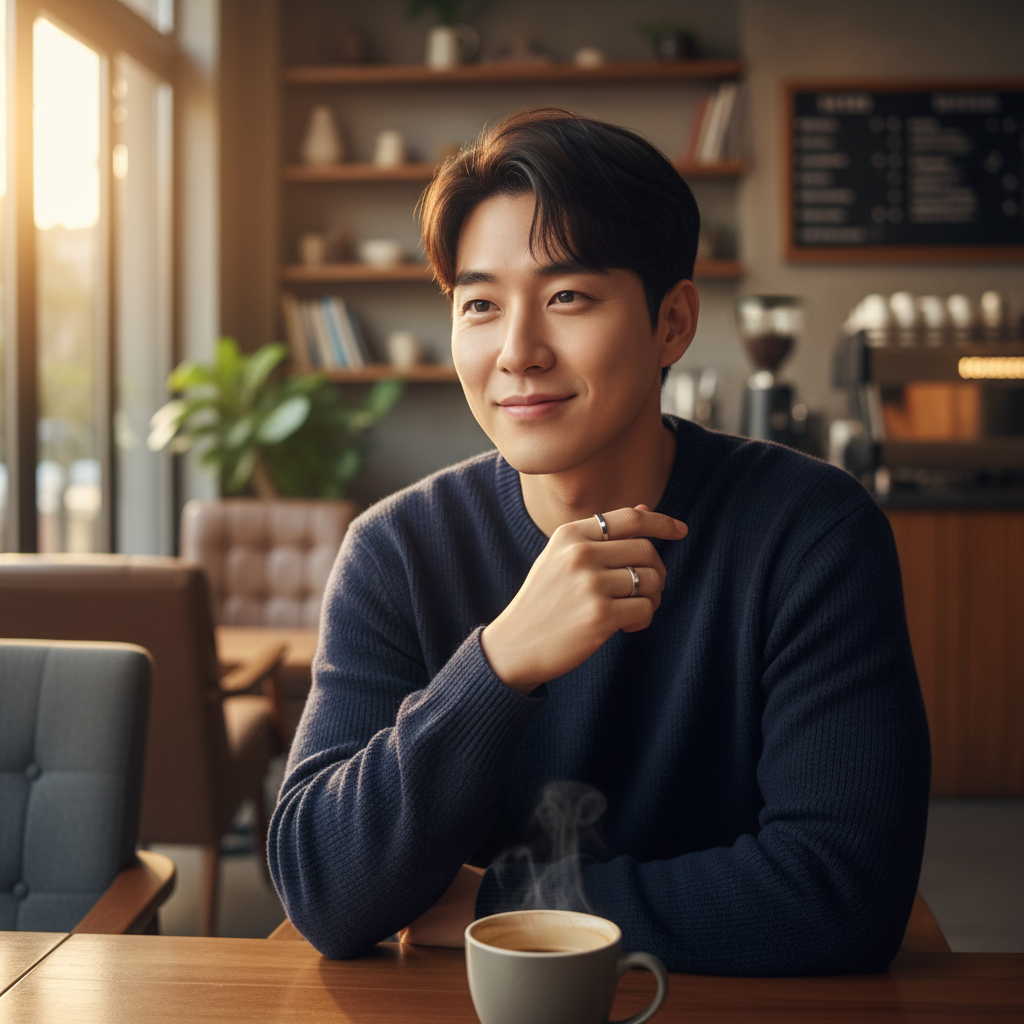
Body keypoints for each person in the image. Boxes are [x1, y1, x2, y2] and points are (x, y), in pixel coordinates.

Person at [268, 108, 930, 975]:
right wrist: (499, 664)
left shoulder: (811, 535)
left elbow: (841, 895)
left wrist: (505, 905)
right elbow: (323, 888)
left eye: (568, 297)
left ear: (672, 324)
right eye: (480, 305)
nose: (518, 351)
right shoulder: (396, 550)